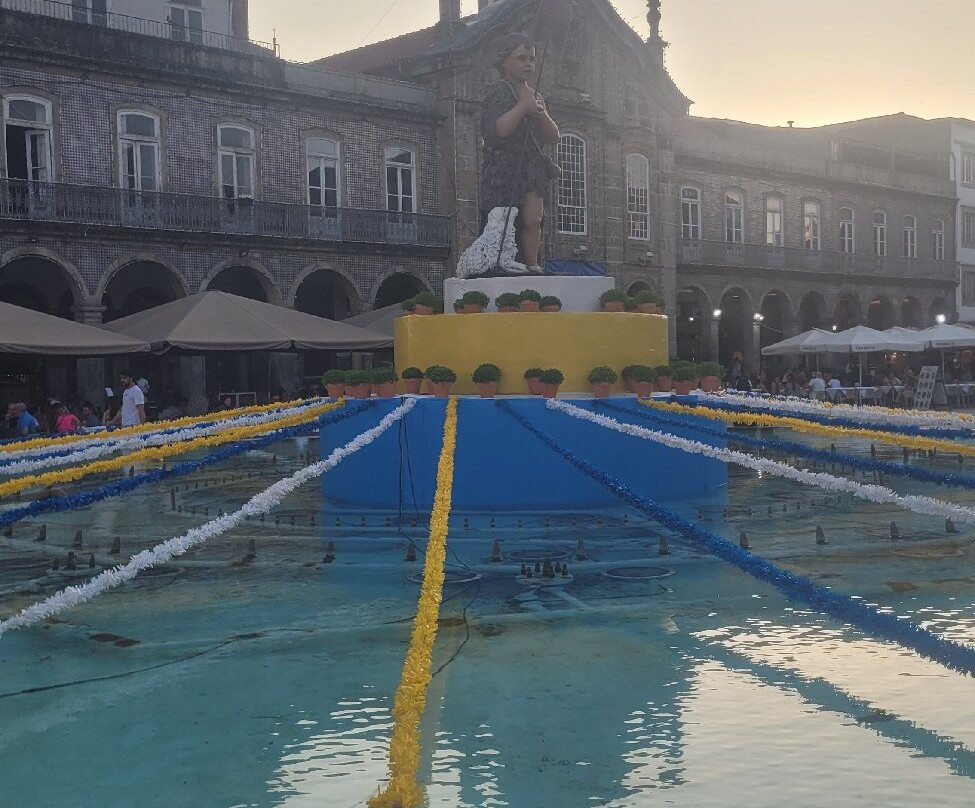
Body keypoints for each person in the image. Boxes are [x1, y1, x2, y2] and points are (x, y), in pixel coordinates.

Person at [479, 32, 560, 273]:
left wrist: (540, 111)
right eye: (521, 58)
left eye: (532, 59)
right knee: (506, 219)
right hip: (505, 168)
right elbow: (498, 130)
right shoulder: (499, 92)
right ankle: (503, 259)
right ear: (504, 62)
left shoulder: (535, 95)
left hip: (532, 168)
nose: (528, 63)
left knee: (534, 219)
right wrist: (522, 107)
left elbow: (553, 136)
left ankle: (532, 263)